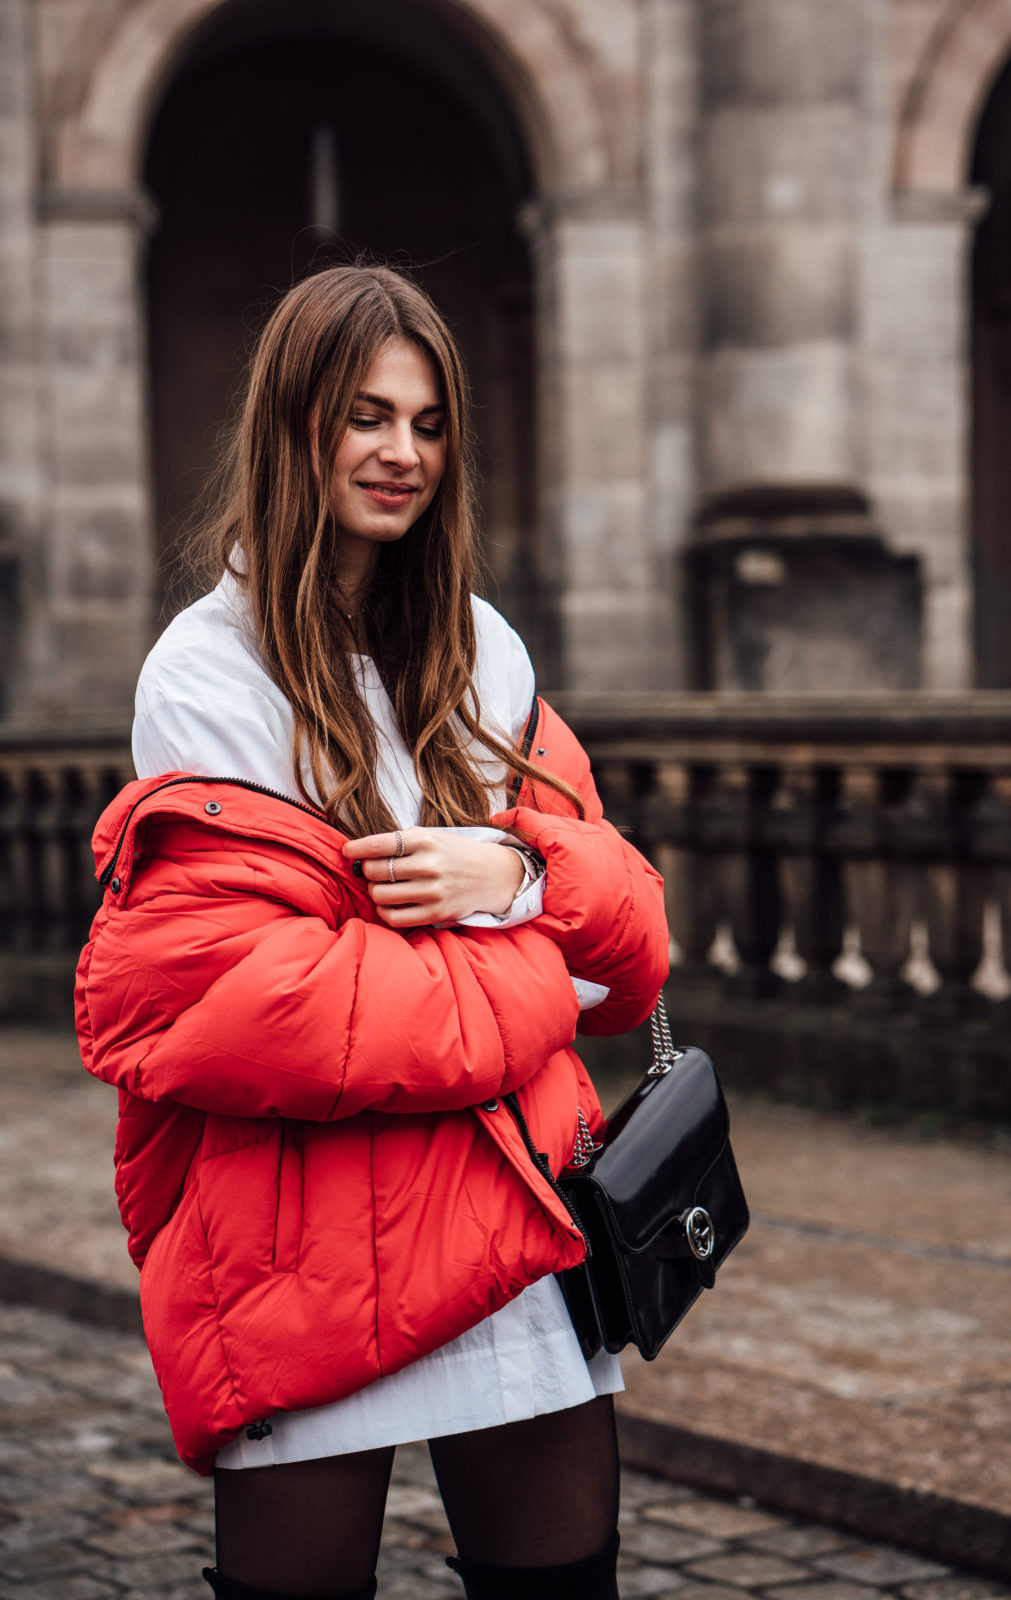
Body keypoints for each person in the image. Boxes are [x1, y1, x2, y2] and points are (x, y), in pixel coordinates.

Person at [74, 264, 669, 1600]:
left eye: (428, 421)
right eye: (364, 416)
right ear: (294, 427)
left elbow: (624, 946)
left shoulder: (483, 650)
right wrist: (527, 964)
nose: (403, 452)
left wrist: (508, 873)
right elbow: (265, 1014)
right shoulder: (206, 674)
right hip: (302, 1244)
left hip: (519, 1222)